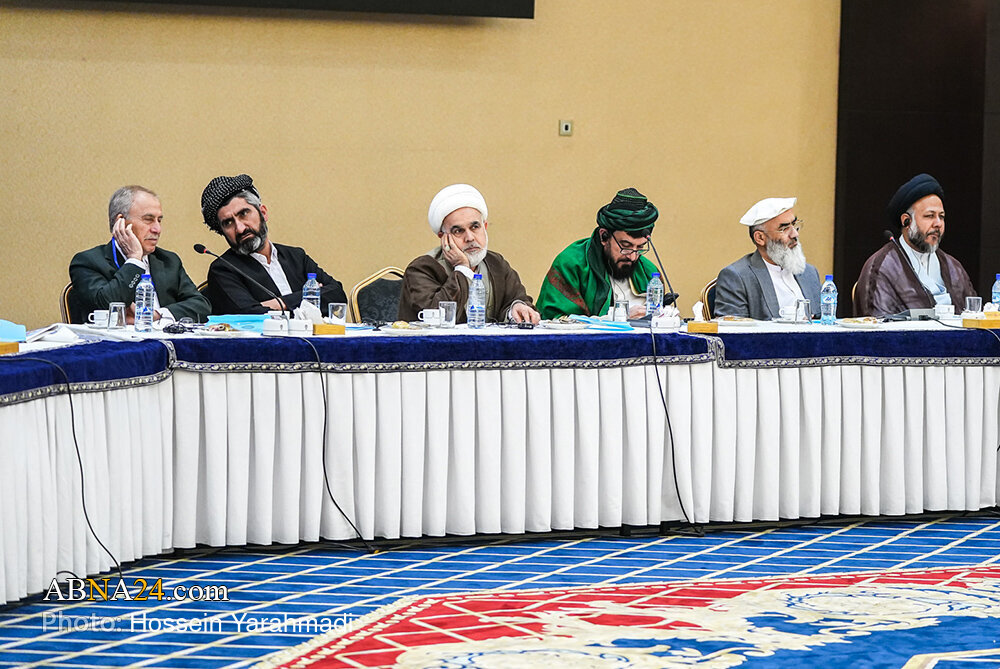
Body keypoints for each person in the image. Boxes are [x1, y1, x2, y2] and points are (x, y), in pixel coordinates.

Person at [199, 174, 347, 314]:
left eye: (243, 214)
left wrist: (278, 303)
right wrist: (308, 297)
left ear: (263, 213)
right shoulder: (223, 269)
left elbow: (337, 295)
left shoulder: (296, 256)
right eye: (228, 223)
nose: (240, 228)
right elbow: (250, 315)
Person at [397, 184, 539, 324]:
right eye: (458, 231)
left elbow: (516, 298)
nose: (470, 238)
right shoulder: (422, 269)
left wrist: (516, 308)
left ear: (485, 227)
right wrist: (461, 269)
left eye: (475, 227)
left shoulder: (496, 263)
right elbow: (437, 318)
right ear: (443, 237)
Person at [69, 185, 210, 324]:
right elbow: (106, 305)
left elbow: (202, 306)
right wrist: (134, 260)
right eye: (148, 219)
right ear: (121, 222)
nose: (157, 229)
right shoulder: (88, 262)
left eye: (159, 220)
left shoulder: (169, 261)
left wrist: (156, 315)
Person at [854, 173, 976, 317]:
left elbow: (974, 316)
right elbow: (878, 324)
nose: (938, 223)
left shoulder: (953, 267)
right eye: (929, 216)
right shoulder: (882, 267)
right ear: (906, 221)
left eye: (941, 216)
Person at [536, 187, 662, 319]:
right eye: (625, 246)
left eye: (640, 247)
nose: (633, 257)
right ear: (604, 236)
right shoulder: (571, 264)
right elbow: (556, 321)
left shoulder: (648, 271)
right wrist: (618, 318)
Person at [714, 197, 821, 320]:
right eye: (784, 228)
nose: (795, 234)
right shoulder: (737, 277)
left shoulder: (809, 273)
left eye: (794, 225)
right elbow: (734, 329)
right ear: (760, 238)